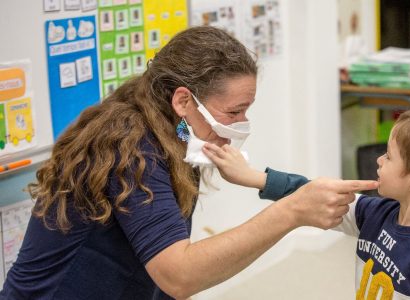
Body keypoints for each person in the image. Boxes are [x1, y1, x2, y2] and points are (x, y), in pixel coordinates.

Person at [0, 26, 378, 299]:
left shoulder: (176, 133)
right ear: (183, 100)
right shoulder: (127, 147)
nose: (238, 126)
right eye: (234, 111)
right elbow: (178, 274)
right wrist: (290, 213)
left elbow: (162, 265)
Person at [203, 107, 410, 299]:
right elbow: (310, 193)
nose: (379, 160)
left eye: (388, 156)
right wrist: (253, 177)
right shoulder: (376, 213)